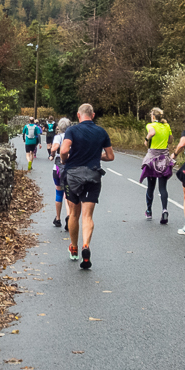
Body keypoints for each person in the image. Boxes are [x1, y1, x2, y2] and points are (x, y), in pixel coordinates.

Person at [59, 103, 114, 269]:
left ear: (78, 115)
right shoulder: (101, 132)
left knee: (74, 214)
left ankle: (74, 247)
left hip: (73, 176)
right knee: (87, 216)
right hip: (93, 175)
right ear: (93, 115)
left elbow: (63, 150)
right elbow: (110, 156)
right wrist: (97, 156)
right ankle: (86, 246)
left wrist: (64, 161)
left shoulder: (72, 131)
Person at [139, 107, 174, 224]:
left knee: (151, 186)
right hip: (164, 158)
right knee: (163, 187)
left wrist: (146, 139)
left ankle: (149, 210)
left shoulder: (150, 125)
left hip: (153, 159)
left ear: (153, 116)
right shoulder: (167, 126)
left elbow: (152, 133)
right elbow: (170, 141)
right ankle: (164, 209)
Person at [48, 117, 71, 229]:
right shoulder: (72, 138)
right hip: (69, 168)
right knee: (68, 194)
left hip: (57, 168)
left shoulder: (58, 137)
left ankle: (58, 218)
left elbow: (55, 147)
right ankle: (69, 216)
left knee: (59, 193)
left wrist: (52, 153)